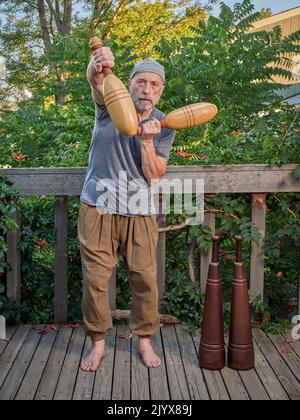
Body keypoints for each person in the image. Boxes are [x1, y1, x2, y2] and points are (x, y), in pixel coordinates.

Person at [78, 46, 176, 372]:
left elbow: (154, 174)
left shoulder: (164, 123)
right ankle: (98, 343)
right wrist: (97, 64)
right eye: (140, 82)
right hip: (98, 205)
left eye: (154, 84)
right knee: (95, 280)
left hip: (140, 209)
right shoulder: (108, 106)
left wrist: (147, 142)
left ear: (161, 90)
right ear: (130, 83)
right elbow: (95, 80)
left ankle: (145, 339)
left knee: (145, 279)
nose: (146, 90)